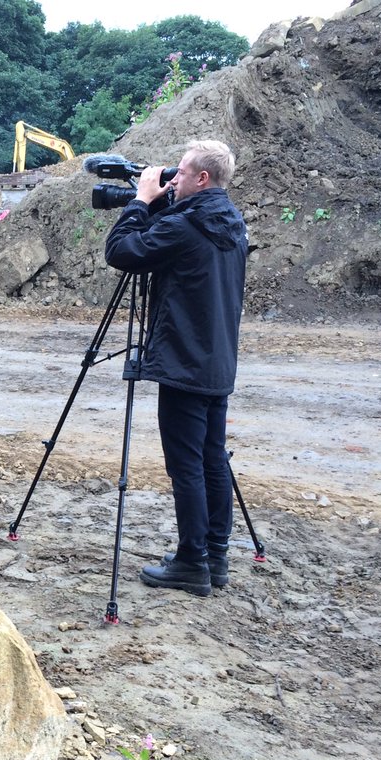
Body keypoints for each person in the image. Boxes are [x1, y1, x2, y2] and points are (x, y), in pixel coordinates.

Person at [104, 140, 248, 597]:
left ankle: (191, 562)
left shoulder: (186, 226)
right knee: (212, 460)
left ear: (202, 178)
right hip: (217, 361)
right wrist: (162, 204)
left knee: (187, 466)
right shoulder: (232, 222)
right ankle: (215, 556)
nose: (173, 178)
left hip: (185, 362)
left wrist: (140, 201)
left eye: (180, 172)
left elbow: (121, 252)